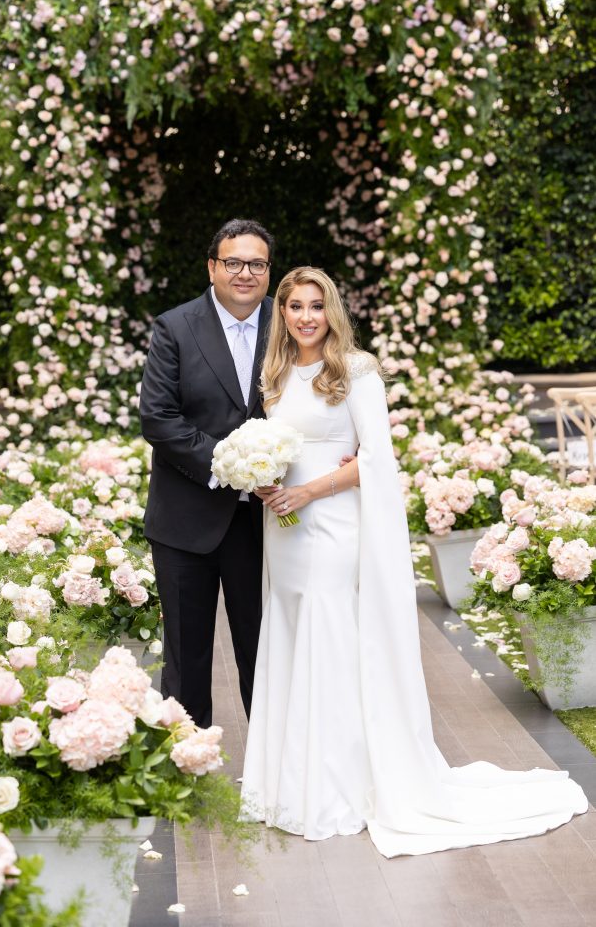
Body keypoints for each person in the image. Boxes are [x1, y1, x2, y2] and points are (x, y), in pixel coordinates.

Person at [240, 266, 587, 857]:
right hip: (285, 529)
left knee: (331, 640)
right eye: (295, 306)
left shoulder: (356, 371)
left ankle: (338, 786)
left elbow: (376, 459)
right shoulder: (273, 376)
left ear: (332, 312)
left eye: (315, 306)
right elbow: (279, 447)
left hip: (332, 526)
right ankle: (289, 782)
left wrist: (309, 490)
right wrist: (263, 479)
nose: (305, 317)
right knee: (295, 639)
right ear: (283, 313)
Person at [139, 219, 274, 728]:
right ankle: (186, 768)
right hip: (186, 520)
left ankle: (274, 772)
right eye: (234, 262)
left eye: (256, 263)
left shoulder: (288, 328)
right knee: (186, 659)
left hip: (262, 523)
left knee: (265, 653)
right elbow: (159, 418)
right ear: (213, 267)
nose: (245, 273)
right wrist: (231, 466)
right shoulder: (175, 327)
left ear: (268, 271)